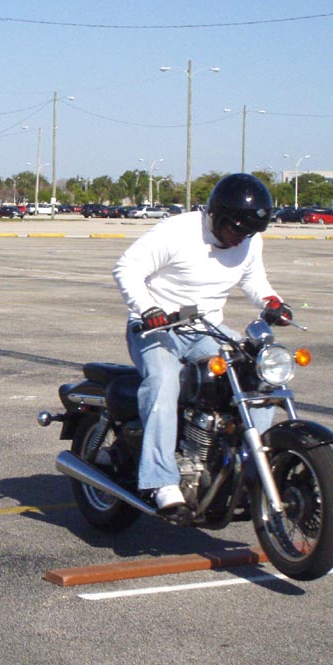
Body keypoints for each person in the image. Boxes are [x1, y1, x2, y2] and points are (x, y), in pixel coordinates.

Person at [113, 173, 292, 511]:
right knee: (164, 381)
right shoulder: (176, 232)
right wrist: (148, 309)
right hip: (156, 328)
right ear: (216, 216)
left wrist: (272, 302)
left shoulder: (249, 241)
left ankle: (247, 466)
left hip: (206, 329)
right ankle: (161, 481)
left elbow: (254, 280)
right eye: (235, 229)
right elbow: (126, 268)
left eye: (248, 232)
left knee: (259, 374)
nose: (240, 238)